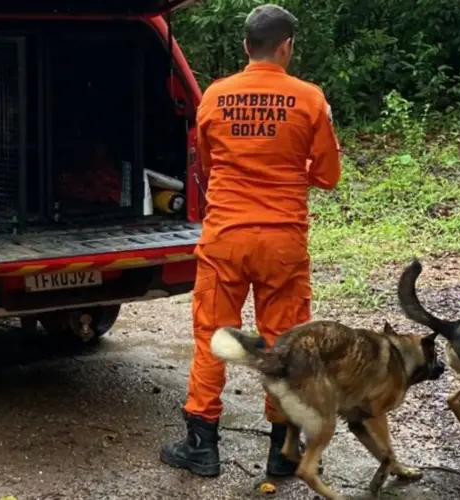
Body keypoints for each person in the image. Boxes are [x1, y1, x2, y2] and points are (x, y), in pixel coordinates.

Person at [159, 4, 342, 479]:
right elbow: (327, 175)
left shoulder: (215, 96)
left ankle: (202, 446)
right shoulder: (309, 99)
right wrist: (287, 169)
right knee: (284, 346)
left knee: (212, 338)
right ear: (287, 47)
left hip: (225, 239)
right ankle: (282, 454)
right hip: (283, 243)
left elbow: (205, 162)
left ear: (246, 46)